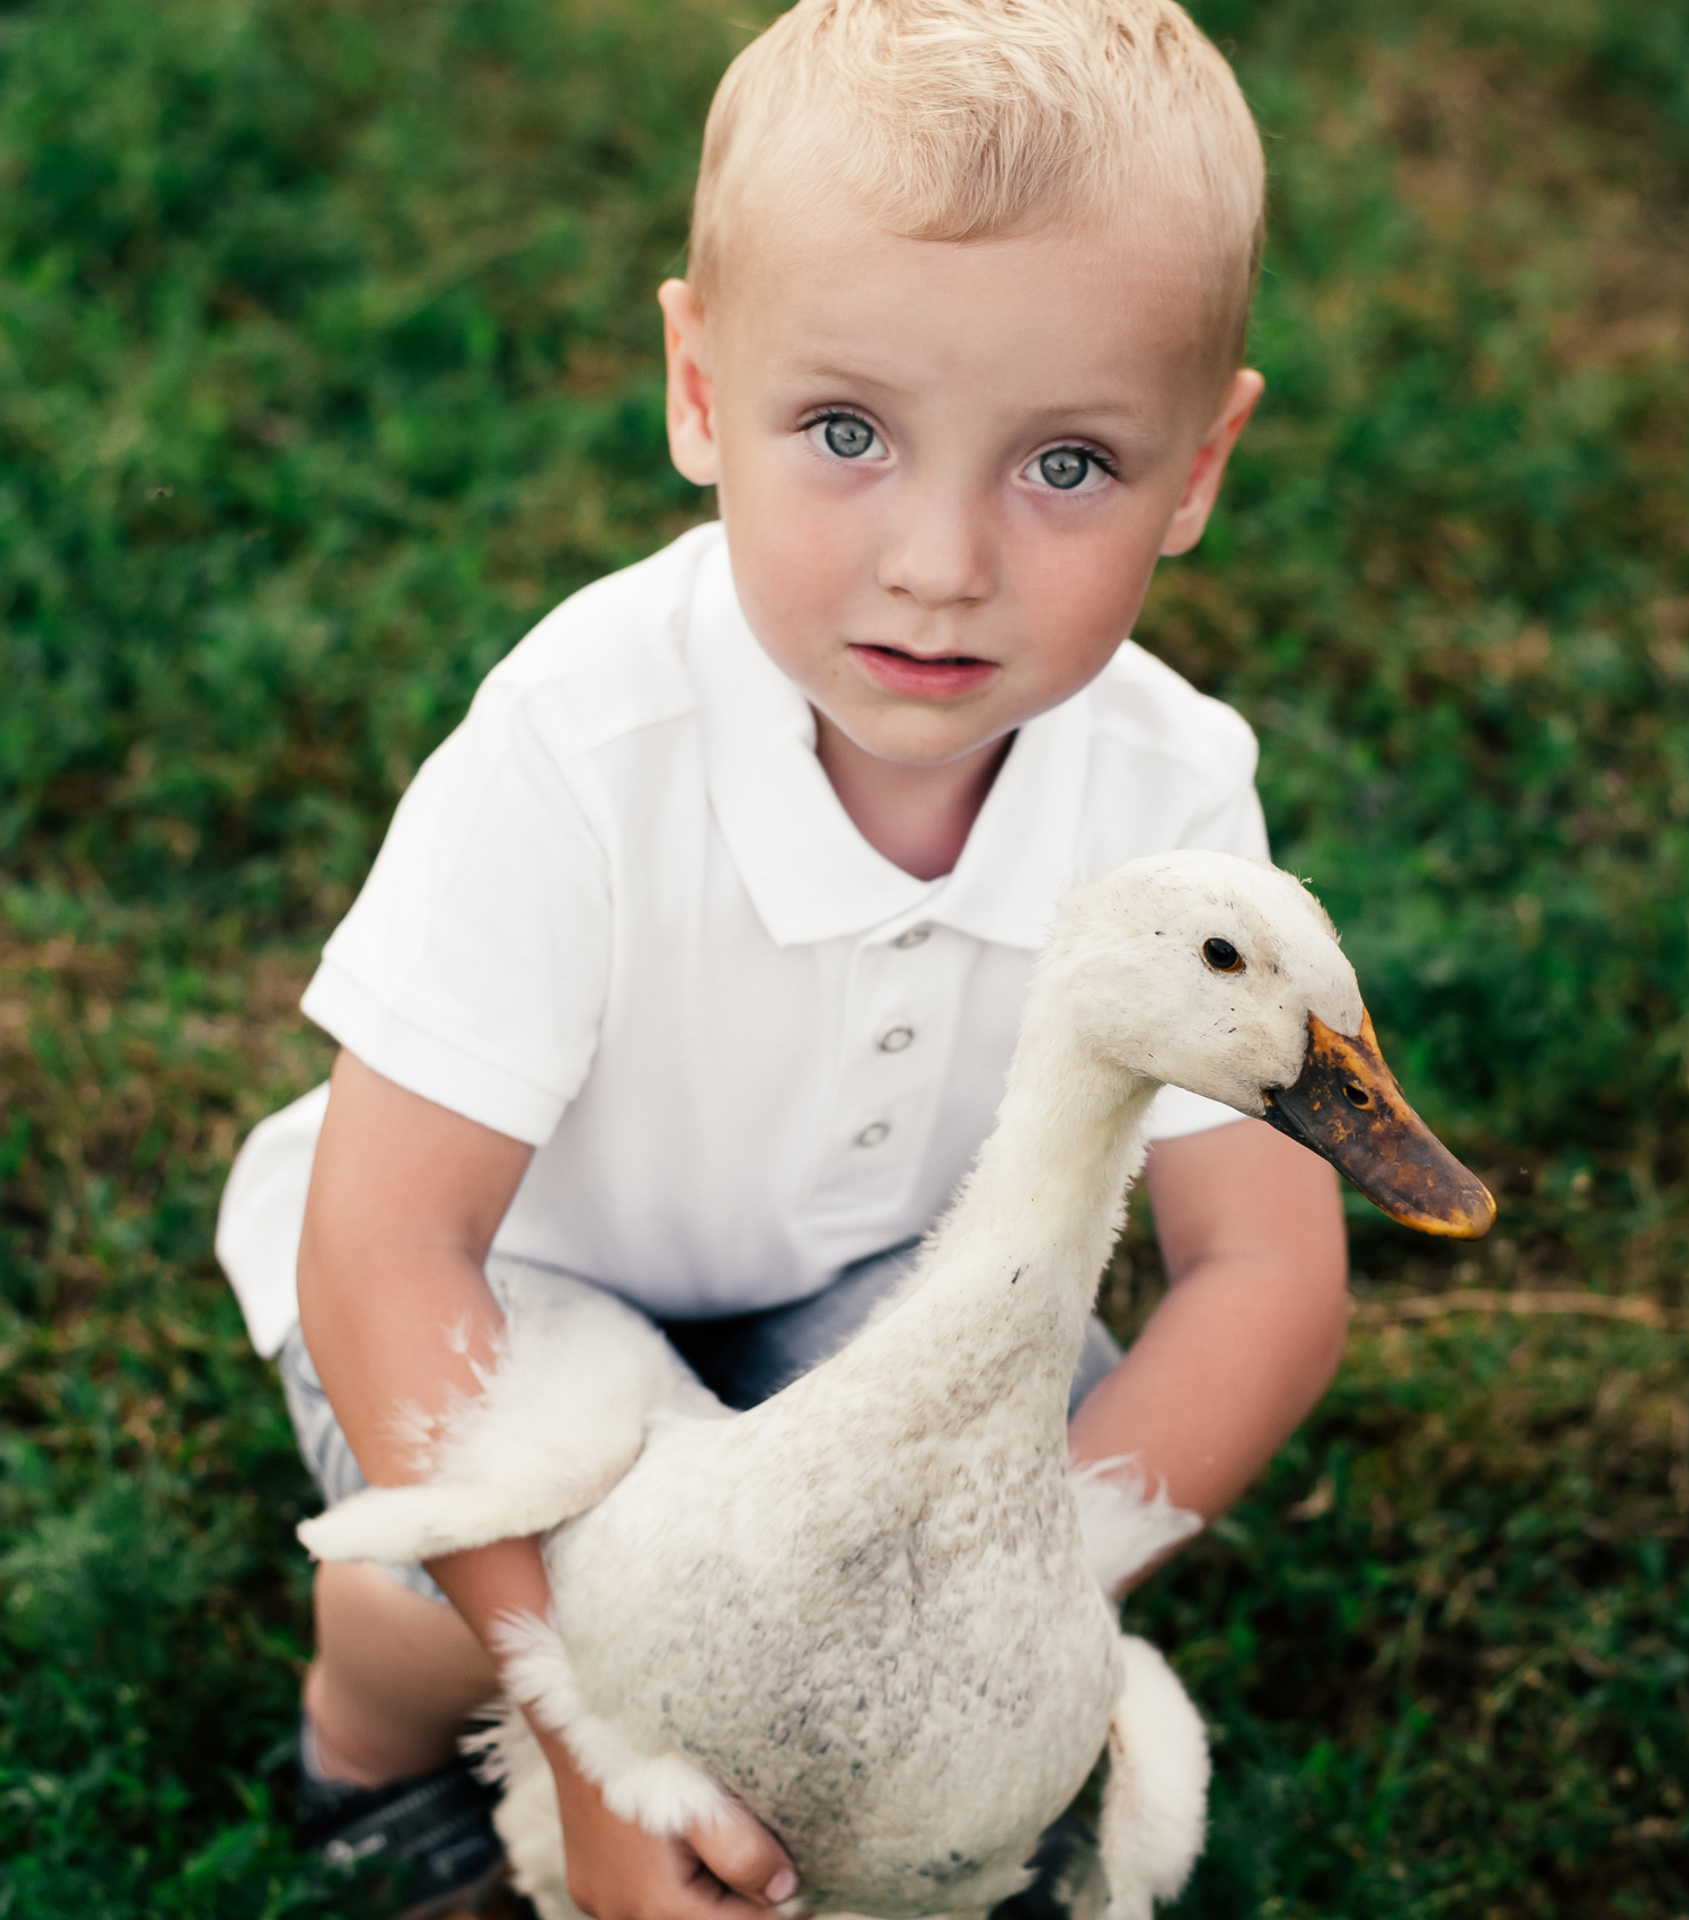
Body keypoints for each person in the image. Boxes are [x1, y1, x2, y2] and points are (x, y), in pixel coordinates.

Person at [215, 2, 1351, 1914]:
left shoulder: (1171, 788)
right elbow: (389, 1244)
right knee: (430, 1574)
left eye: (1066, 465)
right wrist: (596, 1728)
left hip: (873, 1294)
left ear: (1201, 465)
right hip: (516, 1288)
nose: (938, 558)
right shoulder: (579, 745)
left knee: (1029, 1405)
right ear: (694, 383)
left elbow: (1262, 1272)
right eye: (845, 433)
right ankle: (371, 1755)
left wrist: (988, 1627)